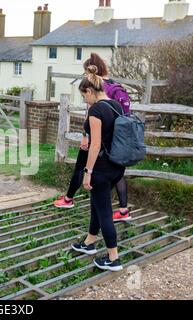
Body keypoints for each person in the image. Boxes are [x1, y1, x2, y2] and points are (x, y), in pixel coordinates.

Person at [54, 53, 131, 222]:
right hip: (117, 141)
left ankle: (68, 199)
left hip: (98, 140)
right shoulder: (115, 85)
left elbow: (92, 114)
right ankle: (123, 209)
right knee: (117, 174)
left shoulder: (96, 87)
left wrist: (85, 135)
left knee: (82, 167)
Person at [69, 65, 125, 271]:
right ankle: (89, 242)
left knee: (104, 211)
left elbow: (94, 145)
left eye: (84, 97)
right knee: (97, 204)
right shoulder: (116, 105)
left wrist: (87, 172)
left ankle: (113, 258)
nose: (85, 101)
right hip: (117, 166)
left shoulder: (96, 110)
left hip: (100, 168)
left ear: (90, 91)